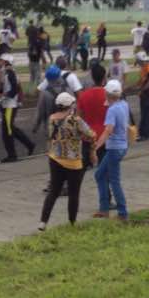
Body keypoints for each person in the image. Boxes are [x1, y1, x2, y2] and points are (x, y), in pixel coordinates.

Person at [38, 92, 97, 231]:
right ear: (70, 105)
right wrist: (92, 149)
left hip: (55, 159)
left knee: (53, 191)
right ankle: (72, 222)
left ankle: (43, 222)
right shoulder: (75, 120)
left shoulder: (51, 118)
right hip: (73, 161)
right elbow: (91, 134)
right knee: (73, 193)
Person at [93, 80, 129, 221]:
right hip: (122, 146)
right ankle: (105, 208)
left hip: (114, 147)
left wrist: (96, 146)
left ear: (107, 93)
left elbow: (108, 130)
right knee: (100, 175)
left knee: (113, 180)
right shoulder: (123, 104)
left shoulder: (112, 109)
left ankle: (122, 212)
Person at [0, 58, 35, 161]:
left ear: (5, 61)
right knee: (10, 129)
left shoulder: (10, 73)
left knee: (8, 130)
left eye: (0, 60)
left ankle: (12, 155)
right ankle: (29, 144)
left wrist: (6, 95)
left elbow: (14, 89)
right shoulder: (5, 72)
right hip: (7, 105)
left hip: (10, 105)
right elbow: (1, 89)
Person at [77, 62, 108, 171]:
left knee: (82, 168)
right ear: (104, 77)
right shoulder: (109, 96)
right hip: (105, 136)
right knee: (105, 171)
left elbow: (79, 117)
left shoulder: (83, 96)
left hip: (88, 136)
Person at [134, 52, 149, 141]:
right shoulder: (144, 68)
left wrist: (141, 90)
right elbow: (141, 81)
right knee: (147, 113)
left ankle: (144, 134)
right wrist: (133, 86)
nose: (137, 63)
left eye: (138, 61)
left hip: (147, 94)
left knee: (145, 114)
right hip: (144, 94)